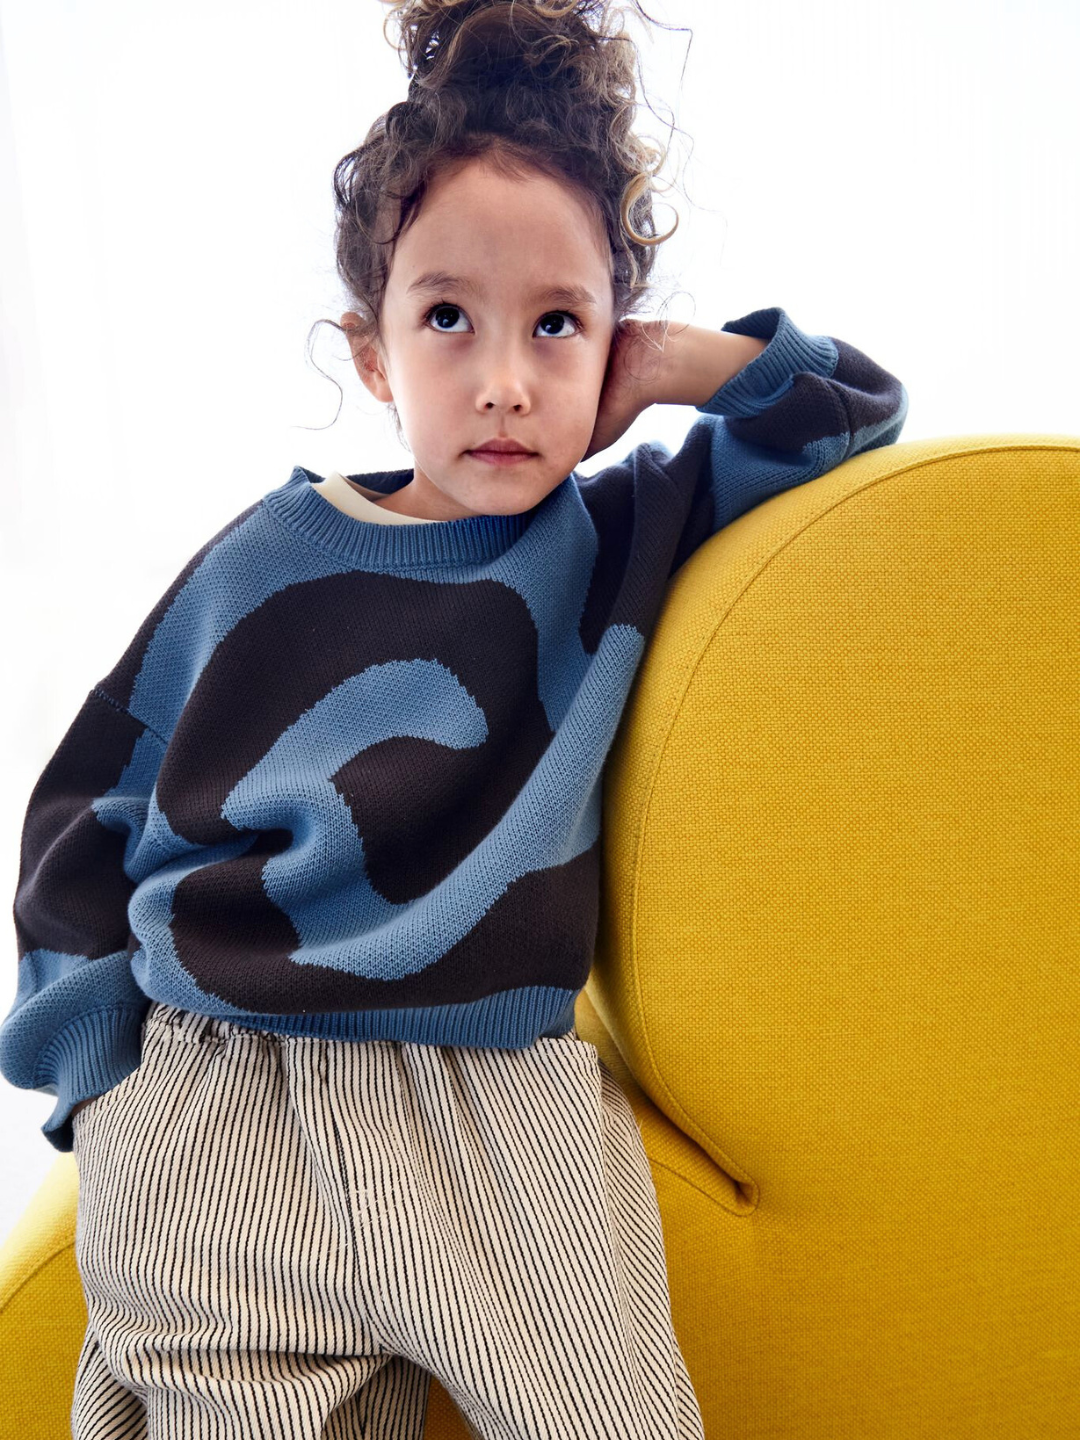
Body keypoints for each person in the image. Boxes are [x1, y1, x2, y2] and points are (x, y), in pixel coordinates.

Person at [0, 1, 908, 1436]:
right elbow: (80, 820)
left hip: (495, 1104)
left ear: (614, 344)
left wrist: (668, 364)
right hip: (223, 1094)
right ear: (372, 354)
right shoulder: (258, 562)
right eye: (446, 320)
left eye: (557, 325)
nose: (503, 379)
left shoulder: (623, 531)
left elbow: (853, 413)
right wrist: (104, 1090)